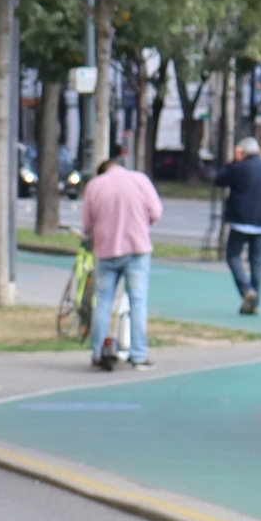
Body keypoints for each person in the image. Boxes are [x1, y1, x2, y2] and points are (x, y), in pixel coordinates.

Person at [79, 150, 163, 370]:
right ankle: (139, 354)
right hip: (137, 249)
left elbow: (87, 223)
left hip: (106, 251)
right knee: (138, 302)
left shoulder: (95, 186)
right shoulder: (139, 180)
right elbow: (156, 212)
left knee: (104, 302)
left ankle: (98, 352)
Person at [213, 136, 261, 315]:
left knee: (233, 256)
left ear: (243, 153)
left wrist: (233, 161)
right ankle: (254, 301)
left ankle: (247, 290)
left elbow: (219, 179)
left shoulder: (239, 169)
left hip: (241, 221)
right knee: (256, 261)